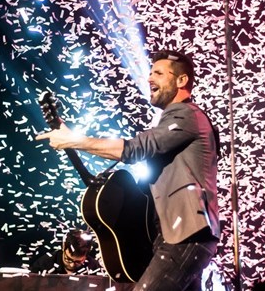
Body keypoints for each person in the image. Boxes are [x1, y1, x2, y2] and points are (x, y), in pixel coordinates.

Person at [35, 49, 221, 290]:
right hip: (176, 235)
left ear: (181, 80)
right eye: (150, 72)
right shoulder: (172, 122)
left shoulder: (187, 115)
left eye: (159, 73)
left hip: (186, 236)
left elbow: (135, 148)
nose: (149, 78)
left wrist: (74, 141)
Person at [30, 228, 101, 275]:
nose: (72, 265)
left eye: (78, 262)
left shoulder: (94, 267)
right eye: (68, 259)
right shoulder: (43, 265)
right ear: (63, 247)